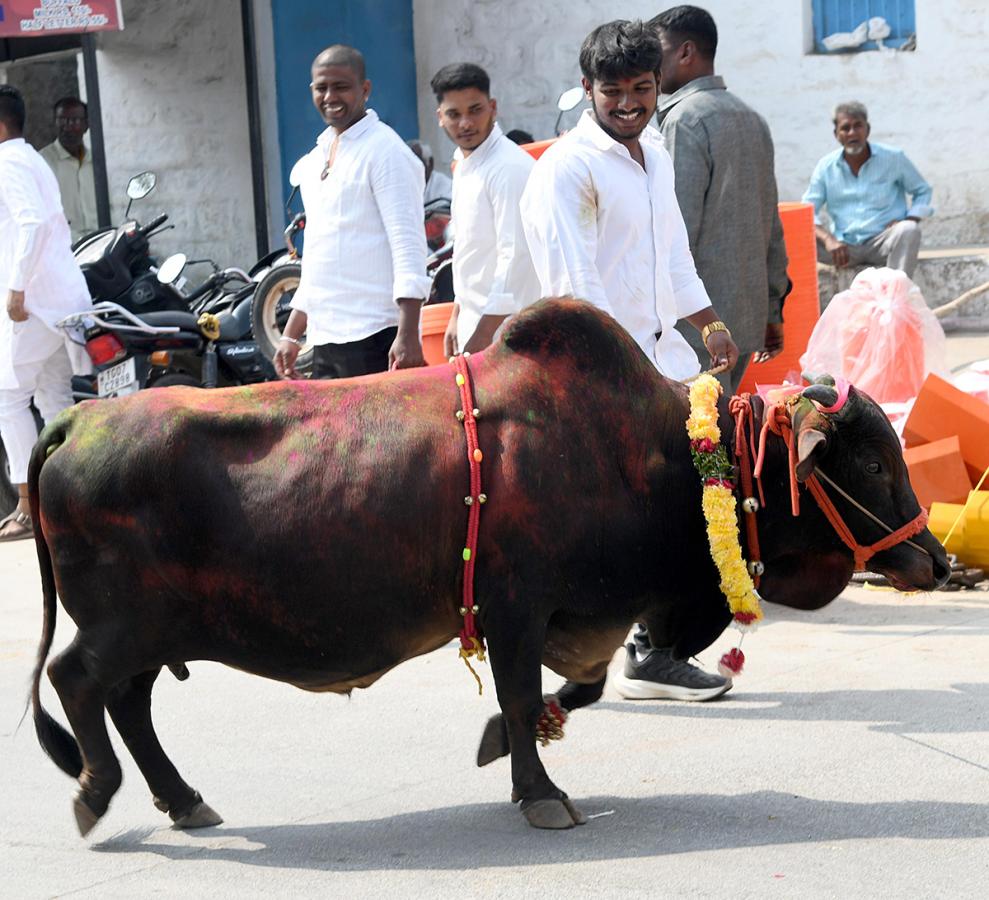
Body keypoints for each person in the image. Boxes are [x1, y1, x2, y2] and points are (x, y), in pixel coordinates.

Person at [520, 20, 738, 702]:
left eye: (640, 90)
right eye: (610, 91)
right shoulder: (567, 168)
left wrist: (708, 322)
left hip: (661, 361)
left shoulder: (655, 152)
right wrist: (628, 383)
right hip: (598, 379)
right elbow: (575, 288)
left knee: (693, 509)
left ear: (656, 86)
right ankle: (625, 652)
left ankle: (652, 650)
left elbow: (670, 252)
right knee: (640, 523)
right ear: (586, 89)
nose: (626, 104)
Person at [651, 5, 790, 394]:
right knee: (723, 433)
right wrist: (772, 309)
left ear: (685, 52)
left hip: (700, 323)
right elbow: (772, 226)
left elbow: (674, 233)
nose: (651, 65)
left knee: (702, 441)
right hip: (744, 317)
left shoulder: (684, 120)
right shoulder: (751, 117)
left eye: (657, 52)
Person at [274, 45, 432, 380]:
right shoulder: (317, 156)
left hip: (377, 337)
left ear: (365, 89)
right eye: (321, 87)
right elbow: (317, 257)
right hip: (325, 338)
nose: (330, 96)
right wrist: (291, 334)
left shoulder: (386, 151)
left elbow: (409, 248)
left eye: (341, 86)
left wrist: (408, 334)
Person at [0, 85, 91, 541]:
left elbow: (31, 223)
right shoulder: (32, 159)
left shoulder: (7, 163)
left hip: (35, 302)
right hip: (62, 301)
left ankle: (26, 505)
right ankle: (67, 503)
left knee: (7, 397)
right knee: (54, 401)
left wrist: (15, 289)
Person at [430, 63, 539, 355]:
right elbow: (470, 251)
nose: (465, 123)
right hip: (477, 324)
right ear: (440, 118)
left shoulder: (508, 167)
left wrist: (483, 334)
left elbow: (515, 256)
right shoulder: (465, 164)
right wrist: (458, 313)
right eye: (454, 114)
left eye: (475, 110)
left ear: (493, 107)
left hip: (510, 336)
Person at [803, 101, 932, 278]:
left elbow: (922, 190)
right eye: (845, 128)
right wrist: (828, 239)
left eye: (858, 126)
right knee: (795, 238)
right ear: (836, 134)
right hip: (844, 249)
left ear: (867, 129)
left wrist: (908, 218)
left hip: (883, 244)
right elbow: (807, 211)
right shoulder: (826, 167)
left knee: (908, 229)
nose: (852, 133)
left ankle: (895, 293)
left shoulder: (893, 158)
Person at [38, 97, 98, 243]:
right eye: (62, 120)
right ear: (55, 123)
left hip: (100, 241)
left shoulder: (97, 162)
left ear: (86, 125)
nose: (67, 126)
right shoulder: (43, 161)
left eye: (75, 120)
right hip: (63, 246)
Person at [407, 139, 453, 204]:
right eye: (408, 165)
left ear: (430, 164)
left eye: (417, 164)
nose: (411, 169)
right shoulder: (404, 185)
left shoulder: (446, 186)